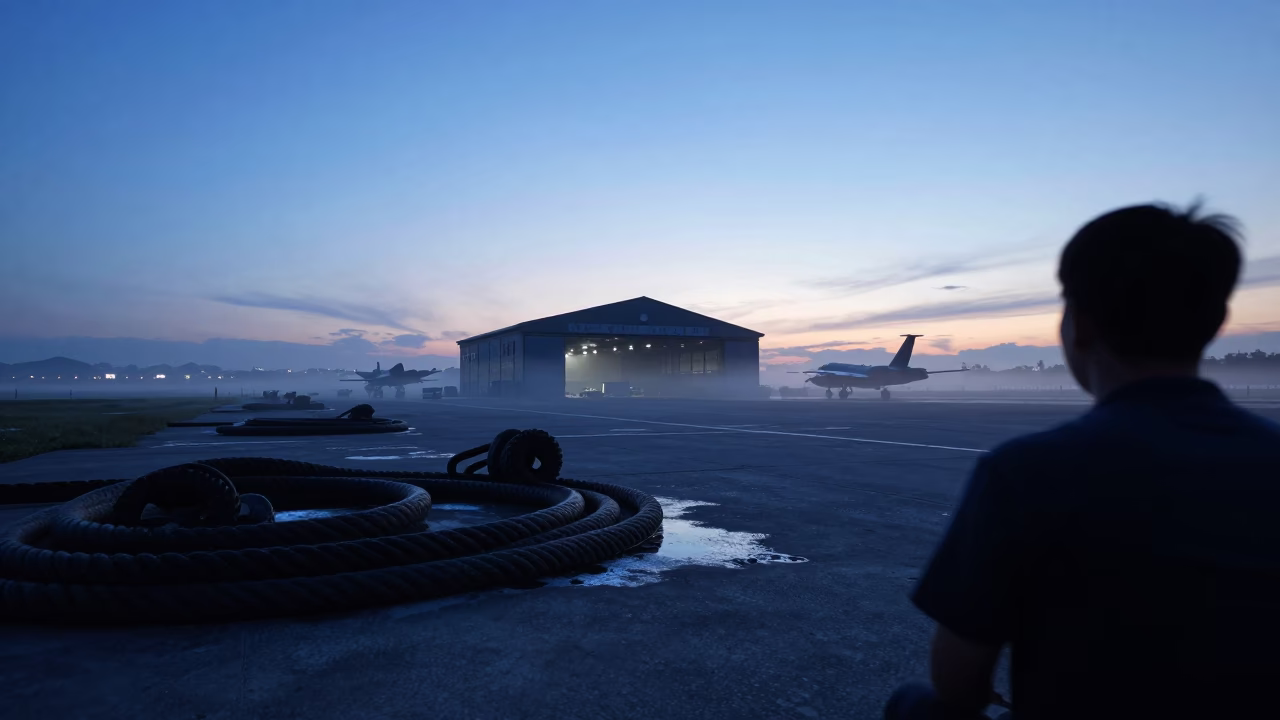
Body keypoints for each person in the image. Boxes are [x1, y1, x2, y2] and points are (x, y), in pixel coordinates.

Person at [886, 201, 1280, 720]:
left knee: (914, 705)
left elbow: (958, 680)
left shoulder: (1026, 471)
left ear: (1079, 326)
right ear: (1216, 322)